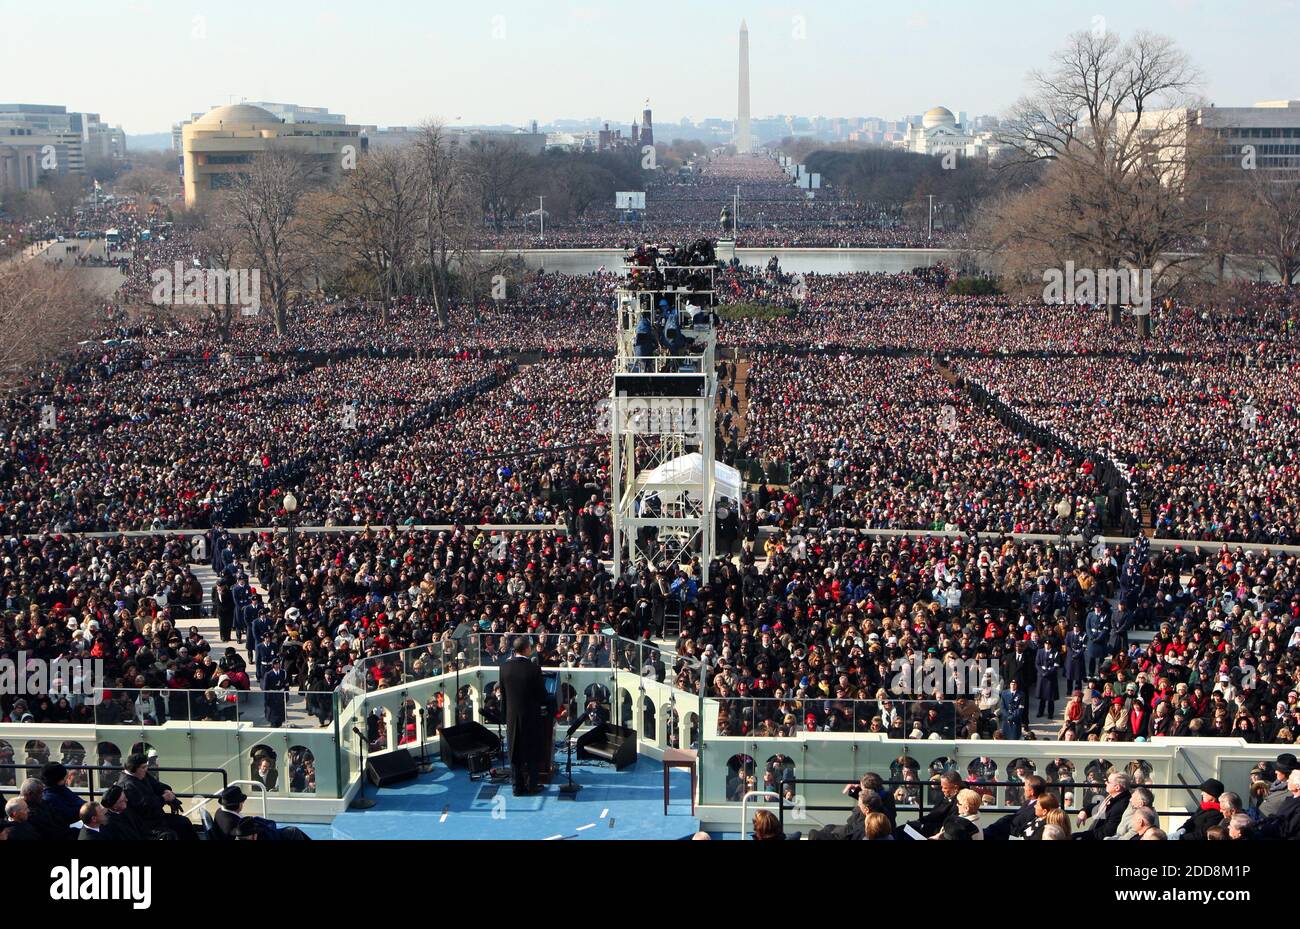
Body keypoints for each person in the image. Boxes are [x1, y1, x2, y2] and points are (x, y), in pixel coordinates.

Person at [499, 635, 548, 796]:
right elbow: (542, 695)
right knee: (532, 751)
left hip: (512, 717)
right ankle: (532, 785)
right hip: (531, 716)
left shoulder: (504, 668)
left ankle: (517, 787)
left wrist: (504, 716)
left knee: (514, 752)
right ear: (527, 649)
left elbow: (504, 696)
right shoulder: (534, 668)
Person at [116, 752, 197, 840]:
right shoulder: (128, 786)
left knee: (184, 822)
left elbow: (157, 785)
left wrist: (166, 791)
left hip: (157, 818)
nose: (146, 769)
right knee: (171, 834)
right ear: (133, 768)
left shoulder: (141, 775)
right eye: (143, 767)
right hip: (146, 824)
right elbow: (145, 807)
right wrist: (164, 798)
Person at [213, 785, 310, 841]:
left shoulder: (219, 812)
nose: (243, 804)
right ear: (237, 805)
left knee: (293, 831)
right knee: (293, 832)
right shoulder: (232, 825)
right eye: (241, 802)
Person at [984, 774, 1046, 840]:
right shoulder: (1028, 802)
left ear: (1032, 792)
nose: (1023, 788)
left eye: (1025, 786)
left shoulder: (1037, 807)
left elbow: (1023, 822)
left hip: (1013, 832)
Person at [1074, 771, 1132, 839]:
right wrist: (1084, 811)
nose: (1105, 783)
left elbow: (1107, 832)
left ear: (1117, 788)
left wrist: (1082, 835)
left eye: (1108, 781)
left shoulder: (1121, 806)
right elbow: (1098, 804)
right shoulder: (1114, 798)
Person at [907, 770, 962, 838]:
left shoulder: (961, 802)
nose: (942, 790)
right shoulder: (945, 796)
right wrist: (920, 821)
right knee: (904, 829)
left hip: (939, 833)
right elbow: (934, 813)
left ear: (955, 787)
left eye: (945, 788)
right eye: (941, 787)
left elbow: (950, 823)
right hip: (928, 827)